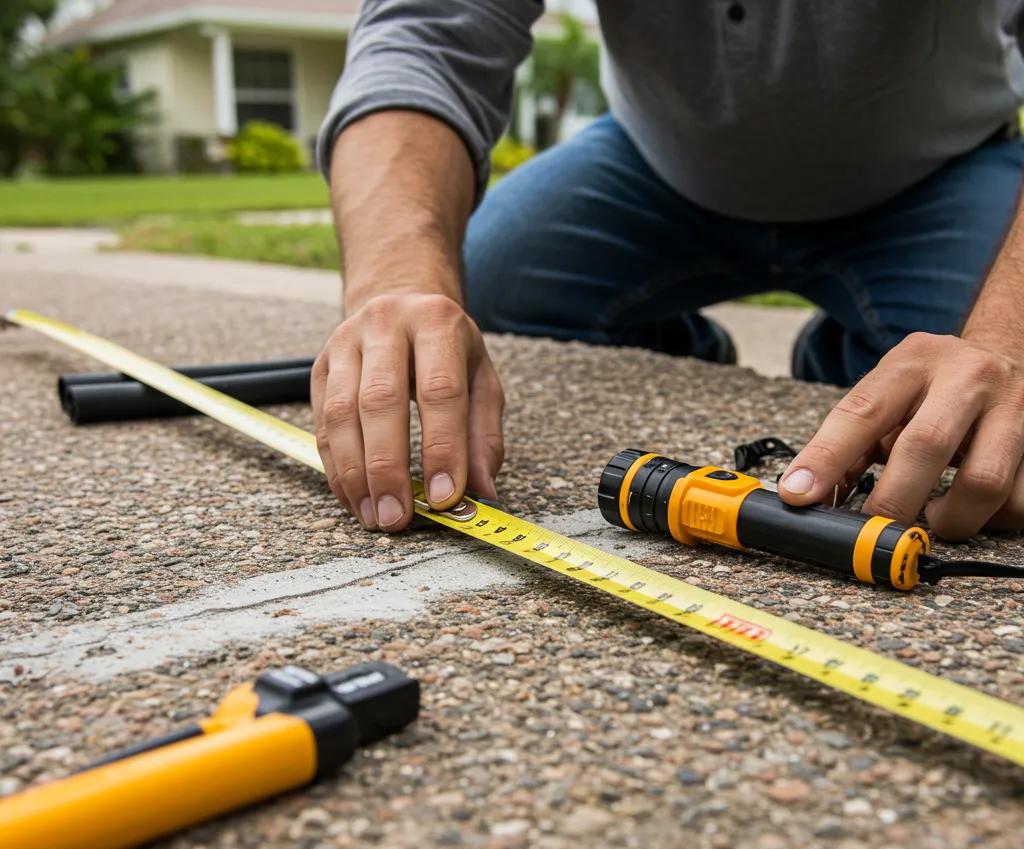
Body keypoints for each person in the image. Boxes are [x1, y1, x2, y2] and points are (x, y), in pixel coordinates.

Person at [311, 1, 1024, 541]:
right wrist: (397, 283)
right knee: (491, 279)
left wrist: (1008, 340)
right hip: (657, 164)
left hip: (937, 173)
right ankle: (703, 350)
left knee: (973, 405)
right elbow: (422, 36)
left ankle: (848, 354)